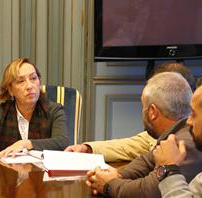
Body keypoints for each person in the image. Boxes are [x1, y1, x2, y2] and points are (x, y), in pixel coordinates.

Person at [84, 71, 202, 198]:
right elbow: (148, 160)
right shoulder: (178, 133)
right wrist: (119, 175)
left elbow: (149, 194)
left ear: (152, 112)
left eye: (143, 107)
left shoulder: (187, 142)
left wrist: (108, 184)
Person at [65, 62, 195, 162]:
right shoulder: (156, 135)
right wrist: (87, 149)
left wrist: (113, 181)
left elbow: (150, 185)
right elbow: (127, 146)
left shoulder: (191, 141)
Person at [0, 57, 69, 158]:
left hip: (41, 171)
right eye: (21, 81)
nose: (29, 86)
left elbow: (62, 142)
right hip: (4, 171)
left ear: (39, 83)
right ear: (11, 90)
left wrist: (26, 144)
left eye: (33, 78)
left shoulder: (54, 110)